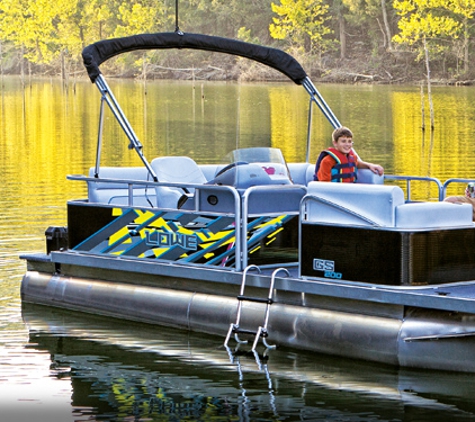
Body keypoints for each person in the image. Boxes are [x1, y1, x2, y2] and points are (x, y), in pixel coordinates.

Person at [314, 126, 384, 182]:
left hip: (349, 192)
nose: (347, 144)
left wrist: (369, 165)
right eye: (343, 141)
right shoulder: (327, 161)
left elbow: (356, 163)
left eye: (349, 141)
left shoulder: (352, 157)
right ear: (335, 143)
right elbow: (323, 185)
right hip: (334, 194)